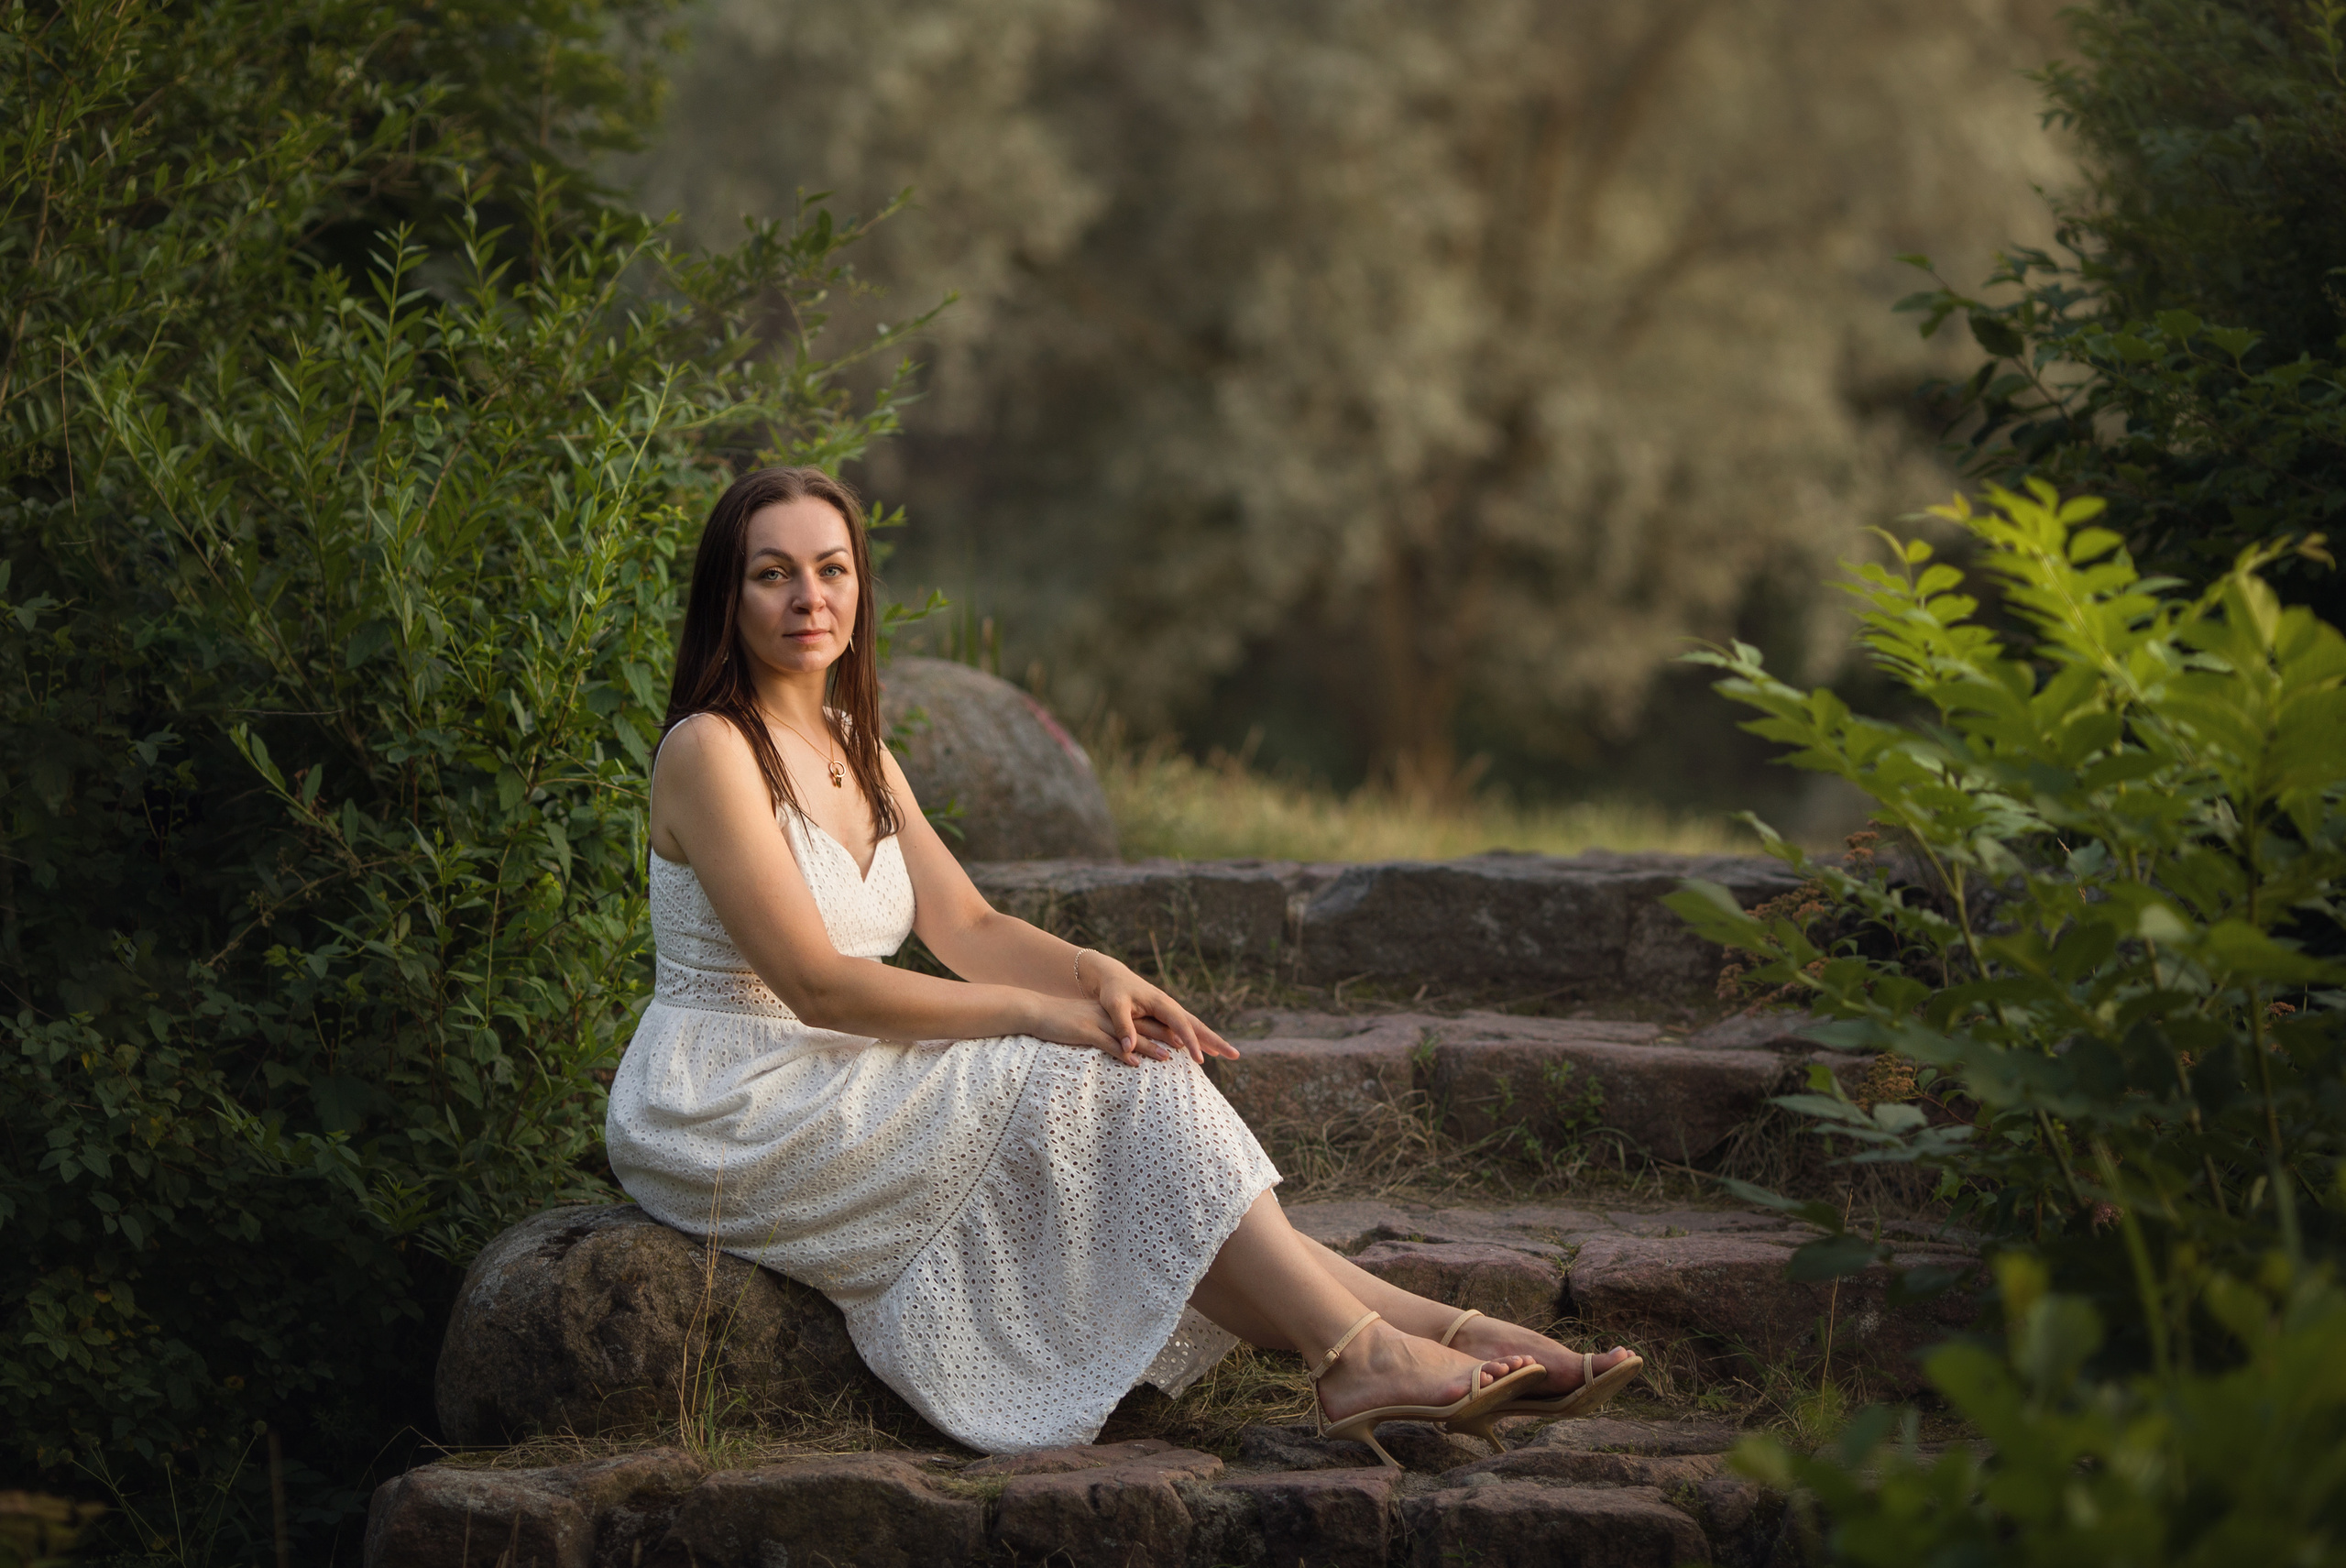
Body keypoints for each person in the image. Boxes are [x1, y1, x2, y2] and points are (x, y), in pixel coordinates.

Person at [604, 465, 1640, 1463]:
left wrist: (1095, 972)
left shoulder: (856, 745)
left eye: (831, 568)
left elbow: (965, 923)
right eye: (772, 572)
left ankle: (1423, 1338)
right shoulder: (711, 750)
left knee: (1132, 1074)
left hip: (843, 1068)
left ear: (861, 584)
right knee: (1090, 1073)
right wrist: (1034, 1016)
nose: (808, 597)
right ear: (727, 596)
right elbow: (817, 985)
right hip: (735, 1091)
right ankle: (1366, 1350)